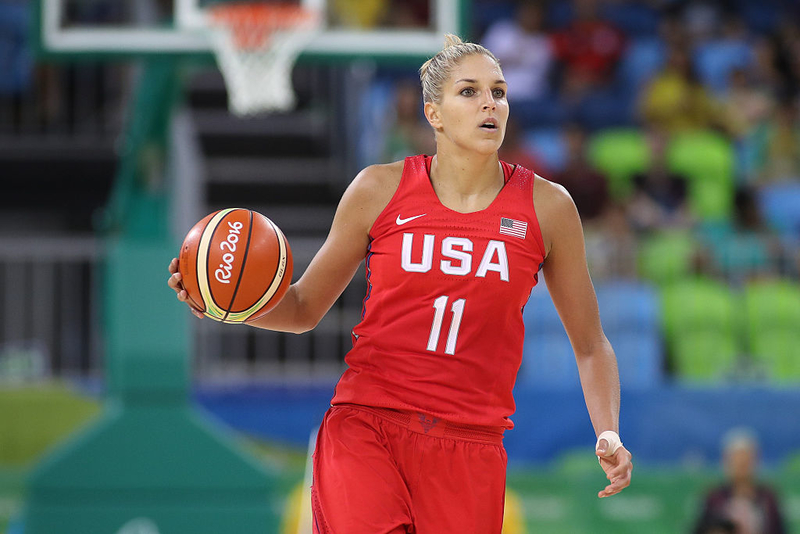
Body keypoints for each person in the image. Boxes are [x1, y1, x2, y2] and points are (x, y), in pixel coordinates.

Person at [169, 34, 633, 533]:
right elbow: (303, 307)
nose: (489, 104)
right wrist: (230, 305)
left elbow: (590, 345)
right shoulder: (379, 188)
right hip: (369, 423)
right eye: (469, 92)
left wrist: (608, 431)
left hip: (471, 443)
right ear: (433, 113)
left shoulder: (548, 206)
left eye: (498, 92)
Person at [694, 428, 787, 534]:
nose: (741, 466)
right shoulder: (714, 498)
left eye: (746, 460)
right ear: (726, 461)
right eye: (737, 460)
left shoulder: (768, 499)